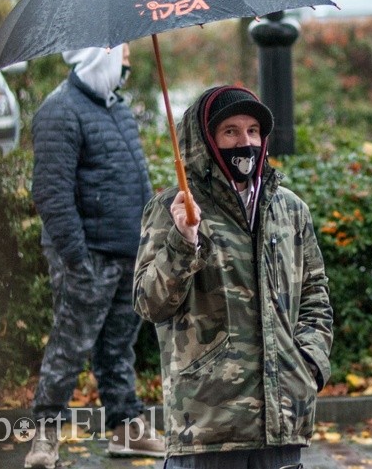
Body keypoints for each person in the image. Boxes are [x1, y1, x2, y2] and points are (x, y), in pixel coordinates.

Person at [133, 86, 333, 468]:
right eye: (231, 131)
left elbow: (315, 294)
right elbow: (149, 303)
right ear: (207, 140)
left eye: (253, 131)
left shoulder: (290, 209)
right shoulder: (171, 208)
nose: (246, 142)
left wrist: (308, 366)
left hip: (282, 422)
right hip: (207, 428)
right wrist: (183, 240)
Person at [26, 44, 161, 469]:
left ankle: (126, 429)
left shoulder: (117, 108)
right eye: (121, 51)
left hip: (127, 253)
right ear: (98, 55)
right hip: (88, 257)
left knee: (118, 347)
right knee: (70, 347)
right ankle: (44, 438)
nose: (128, 61)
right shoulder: (59, 110)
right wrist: (77, 260)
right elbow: (50, 193)